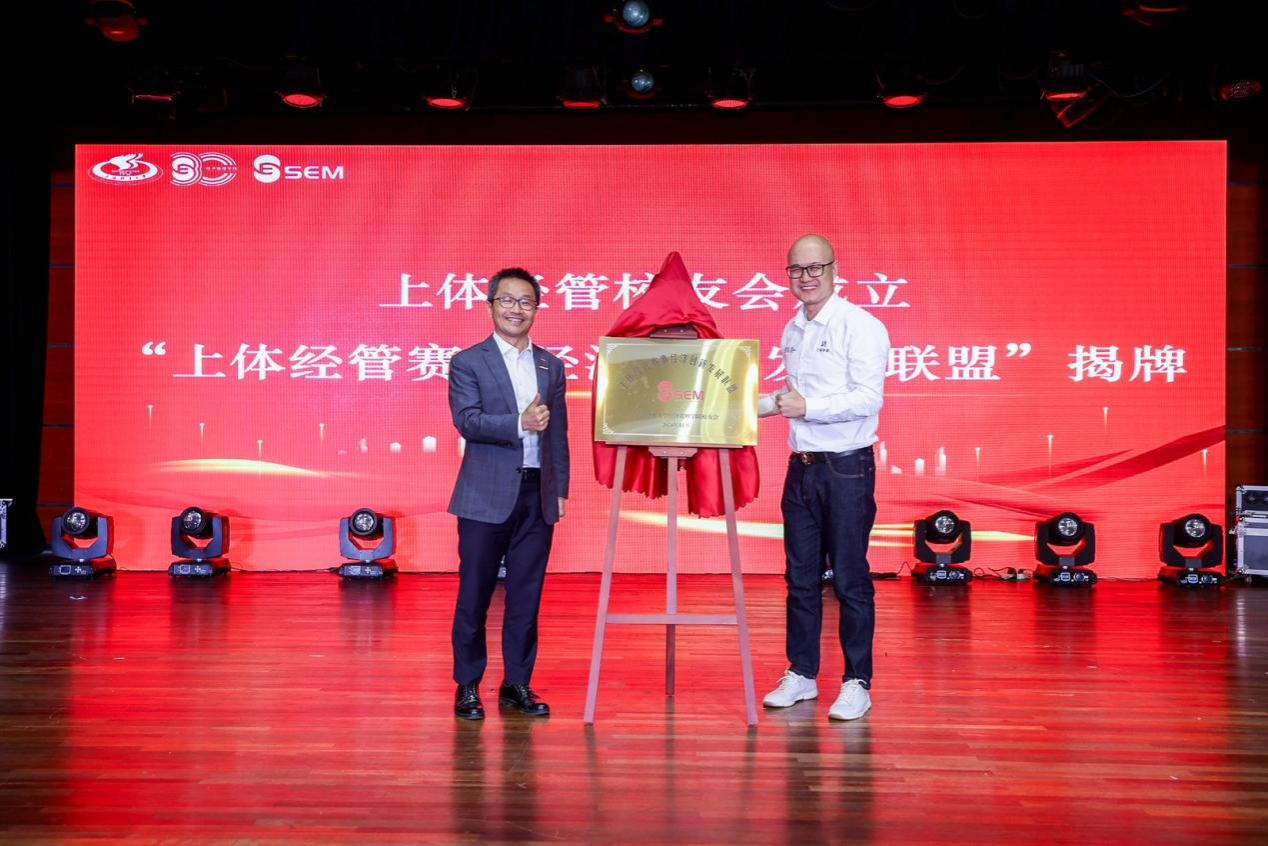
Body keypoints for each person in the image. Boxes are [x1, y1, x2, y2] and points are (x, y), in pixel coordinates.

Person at [758, 234, 890, 721]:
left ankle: (857, 681)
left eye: (815, 268)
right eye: (797, 269)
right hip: (802, 467)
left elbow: (868, 398)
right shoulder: (793, 329)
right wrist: (736, 409)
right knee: (800, 578)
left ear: (834, 270)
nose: (806, 277)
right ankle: (802, 673)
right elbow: (790, 398)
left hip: (847, 468)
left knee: (850, 579)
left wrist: (808, 407)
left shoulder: (861, 326)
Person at [447, 267, 569, 720]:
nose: (517, 309)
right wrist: (519, 422)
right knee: (474, 594)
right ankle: (467, 685)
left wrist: (560, 489)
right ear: (491, 306)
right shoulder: (468, 362)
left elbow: (558, 434)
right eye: (508, 300)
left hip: (537, 494)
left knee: (526, 595)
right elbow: (467, 420)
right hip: (483, 496)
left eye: (526, 302)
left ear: (536, 308)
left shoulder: (550, 365)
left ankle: (516, 683)